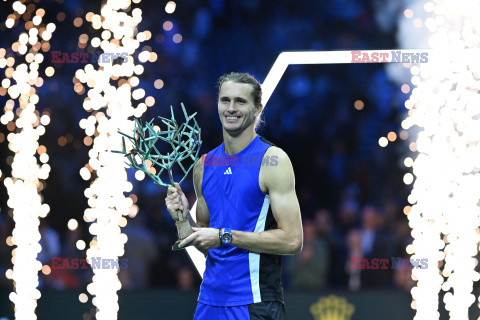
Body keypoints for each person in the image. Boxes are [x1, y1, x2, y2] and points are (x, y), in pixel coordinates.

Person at [165, 72, 303, 319]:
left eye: (240, 101)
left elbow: (293, 241)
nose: (231, 108)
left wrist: (225, 236)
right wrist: (182, 219)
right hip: (208, 303)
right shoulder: (203, 166)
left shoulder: (273, 160)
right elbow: (207, 245)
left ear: (257, 108)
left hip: (255, 303)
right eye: (225, 100)